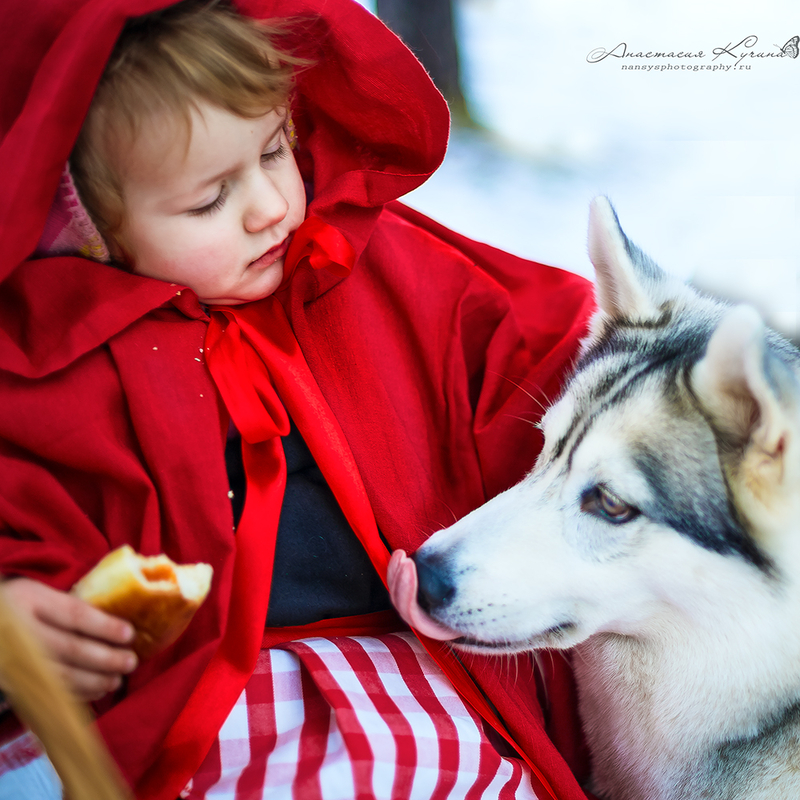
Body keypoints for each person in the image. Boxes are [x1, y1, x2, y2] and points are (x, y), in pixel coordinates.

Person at [0, 0, 595, 798]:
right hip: (206, 731)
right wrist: (18, 622)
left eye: (276, 150)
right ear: (88, 226)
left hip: (421, 685)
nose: (272, 207)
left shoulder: (364, 267)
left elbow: (542, 355)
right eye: (209, 201)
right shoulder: (47, 370)